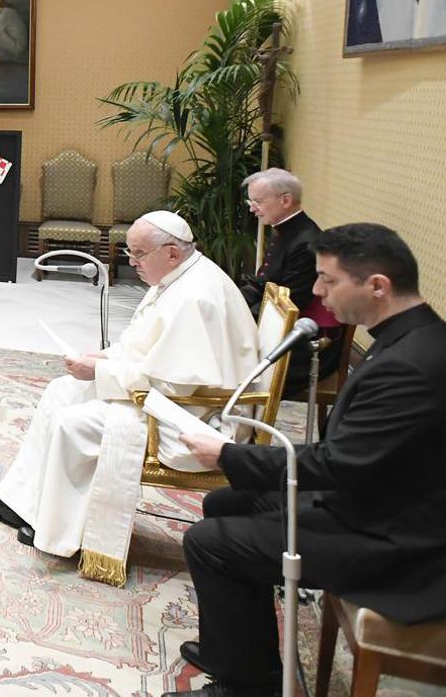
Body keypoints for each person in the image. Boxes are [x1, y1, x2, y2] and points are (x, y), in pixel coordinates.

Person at [168, 223, 446, 697]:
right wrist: (240, 464)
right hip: (372, 499)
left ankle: (247, 685)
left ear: (377, 285)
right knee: (226, 504)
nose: (316, 292)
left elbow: (337, 465)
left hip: (395, 540)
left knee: (210, 541)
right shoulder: (410, 335)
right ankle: (234, 650)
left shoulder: (411, 365)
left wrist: (229, 453)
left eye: (328, 281)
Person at [0, 211, 261, 585]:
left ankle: (62, 533)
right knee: (61, 391)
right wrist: (104, 358)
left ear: (171, 252)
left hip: (189, 417)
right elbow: (150, 346)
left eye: (138, 253)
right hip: (164, 393)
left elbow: (180, 385)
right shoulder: (180, 275)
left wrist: (101, 371)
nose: (131, 261)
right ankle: (22, 502)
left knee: (73, 424)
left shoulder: (197, 297)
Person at [238, 167, 339, 389]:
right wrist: (232, 301)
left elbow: (289, 303)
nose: (253, 209)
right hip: (278, 327)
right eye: (251, 202)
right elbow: (265, 283)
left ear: (285, 200)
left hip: (301, 346)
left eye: (258, 201)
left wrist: (239, 319)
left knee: (224, 357)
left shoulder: (305, 242)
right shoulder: (286, 230)